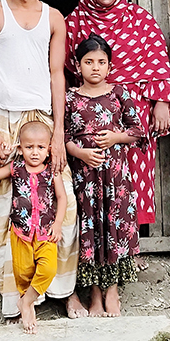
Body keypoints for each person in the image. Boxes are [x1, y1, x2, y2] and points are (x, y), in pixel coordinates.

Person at [0, 0, 79, 320]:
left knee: (63, 205)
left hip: (43, 119)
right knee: (6, 207)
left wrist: (58, 134)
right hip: (4, 116)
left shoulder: (54, 18)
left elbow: (57, 75)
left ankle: (63, 290)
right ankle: (15, 296)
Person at [64, 0, 170, 233]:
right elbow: (61, 65)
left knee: (134, 176)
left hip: (133, 112)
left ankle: (130, 243)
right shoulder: (75, 20)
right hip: (90, 113)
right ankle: (96, 241)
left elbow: (158, 61)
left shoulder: (139, 19)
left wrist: (161, 102)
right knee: (93, 177)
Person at [65, 34, 144, 317]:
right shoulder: (69, 98)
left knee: (112, 230)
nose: (95, 67)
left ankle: (112, 292)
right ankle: (94, 294)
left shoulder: (119, 94)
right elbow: (62, 137)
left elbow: (138, 131)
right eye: (89, 62)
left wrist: (115, 137)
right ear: (78, 65)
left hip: (115, 179)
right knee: (92, 231)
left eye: (101, 62)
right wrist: (81, 153)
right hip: (85, 178)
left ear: (110, 66)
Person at [0, 121, 65, 333]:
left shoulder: (52, 172)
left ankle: (26, 302)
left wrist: (57, 225)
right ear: (21, 148)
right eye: (29, 147)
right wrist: (4, 154)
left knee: (48, 269)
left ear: (49, 149)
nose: (35, 153)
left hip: (46, 233)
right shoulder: (15, 168)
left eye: (40, 147)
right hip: (21, 233)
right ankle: (26, 304)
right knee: (23, 272)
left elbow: (62, 198)